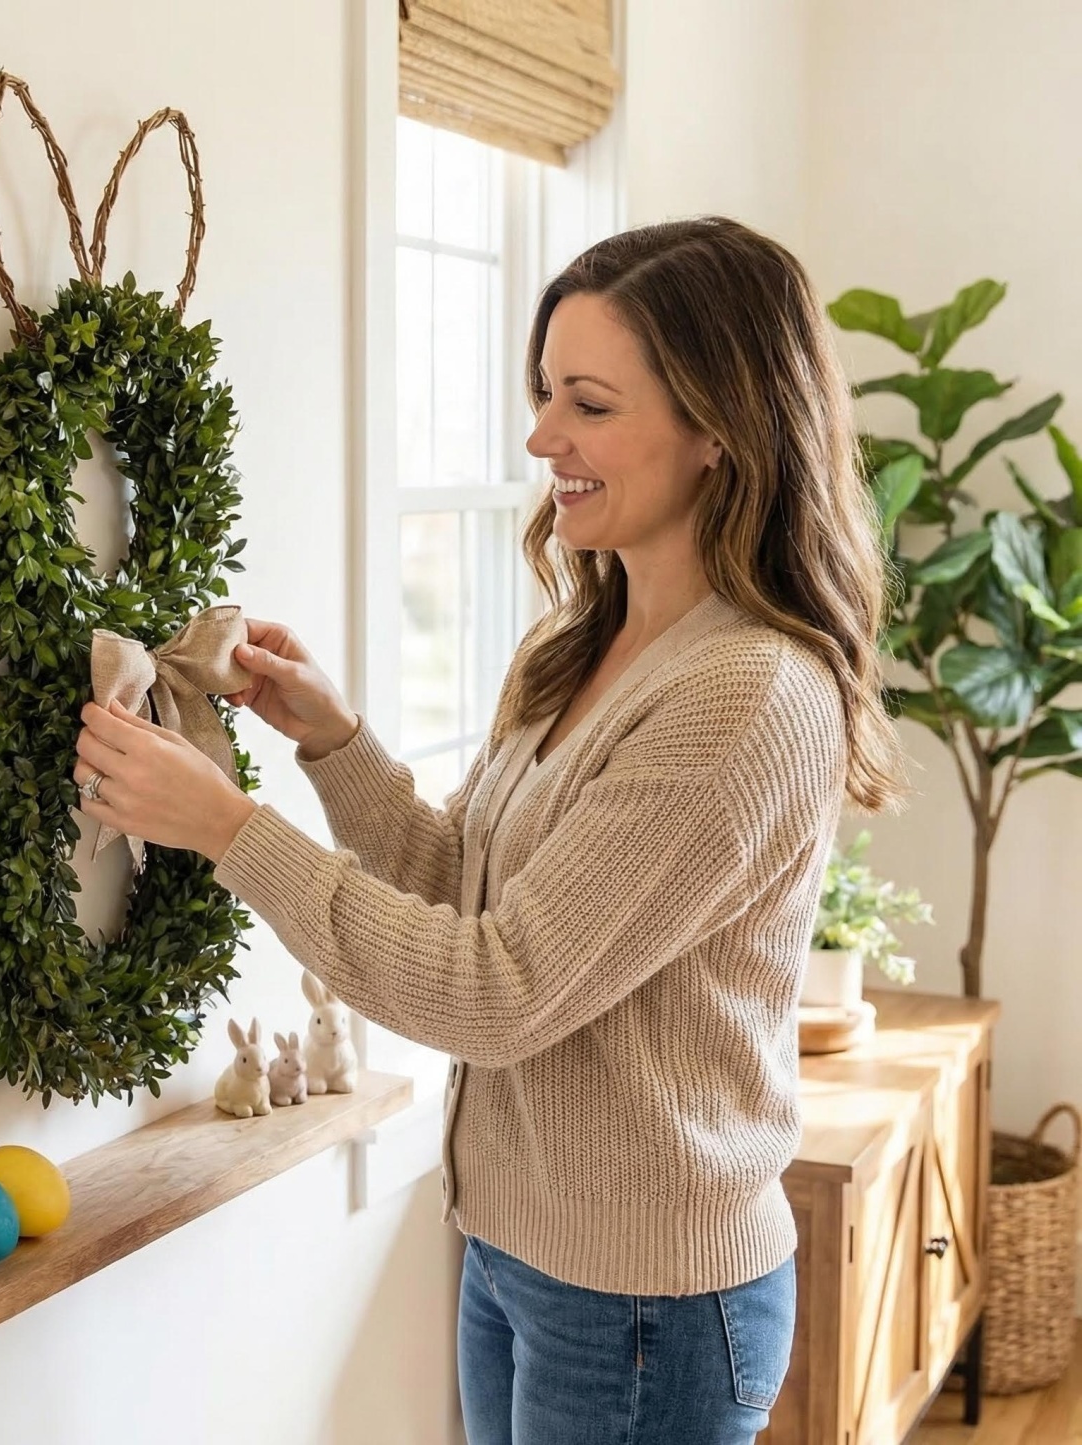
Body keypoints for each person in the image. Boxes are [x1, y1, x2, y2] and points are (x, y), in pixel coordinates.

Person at [72, 215, 905, 1445]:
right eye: (542, 393)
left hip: (646, 1305)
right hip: (515, 1251)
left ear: (717, 429)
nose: (540, 437)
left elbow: (495, 991)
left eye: (587, 403)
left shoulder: (745, 697)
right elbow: (465, 886)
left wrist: (229, 829)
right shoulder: (579, 641)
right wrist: (334, 744)